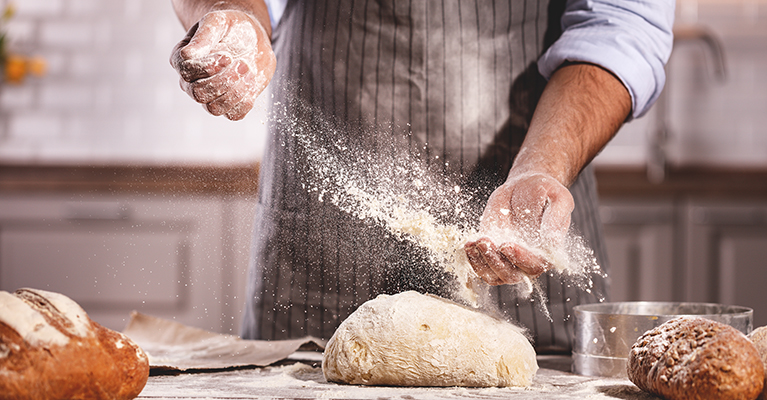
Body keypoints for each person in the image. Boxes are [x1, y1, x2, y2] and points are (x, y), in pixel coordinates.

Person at [170, 0, 674, 353]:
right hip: (323, 231)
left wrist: (543, 164)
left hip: (525, 205)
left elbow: (623, 21)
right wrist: (232, 16)